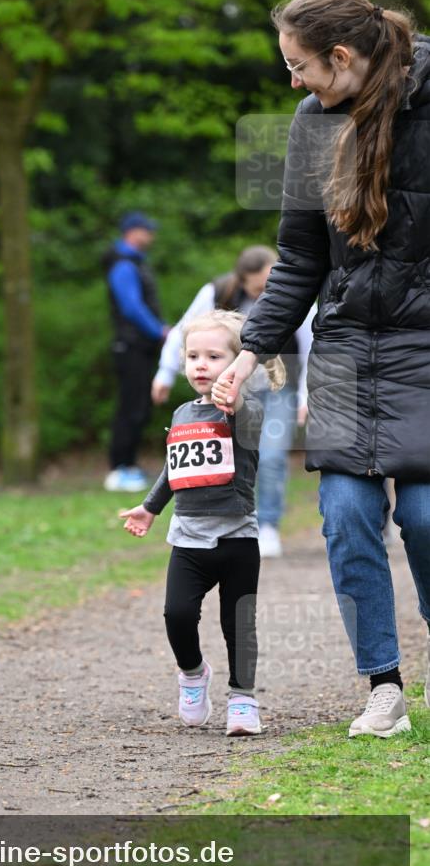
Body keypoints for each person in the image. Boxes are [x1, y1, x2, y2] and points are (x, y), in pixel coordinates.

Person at [212, 0, 430, 736]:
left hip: (424, 348)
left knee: (426, 518)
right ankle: (383, 686)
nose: (293, 82)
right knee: (344, 514)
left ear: (341, 56)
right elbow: (301, 257)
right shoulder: (313, 123)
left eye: (298, 66)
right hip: (344, 348)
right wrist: (249, 352)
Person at [120, 311, 285, 735]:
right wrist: (149, 508)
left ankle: (243, 699)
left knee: (238, 624)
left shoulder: (246, 411)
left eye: (214, 357)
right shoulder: (181, 414)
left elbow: (243, 415)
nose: (201, 365)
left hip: (237, 538)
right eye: (193, 356)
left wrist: (234, 395)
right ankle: (193, 674)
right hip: (189, 540)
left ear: (238, 362)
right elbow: (174, 469)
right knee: (177, 614)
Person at [152, 245, 315, 558]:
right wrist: (165, 373)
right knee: (227, 458)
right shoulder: (216, 292)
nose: (265, 293)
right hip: (226, 388)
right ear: (241, 281)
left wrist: (306, 396)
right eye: (257, 288)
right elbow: (183, 332)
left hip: (277, 386)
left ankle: (268, 525)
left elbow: (311, 345)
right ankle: (221, 524)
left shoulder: (295, 291)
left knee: (271, 456)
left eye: (269, 284)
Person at [103, 211, 169, 493]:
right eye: (147, 230)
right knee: (130, 407)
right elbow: (131, 307)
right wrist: (159, 331)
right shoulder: (123, 264)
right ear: (132, 232)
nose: (151, 236)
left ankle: (129, 465)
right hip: (130, 345)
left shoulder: (135, 262)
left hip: (140, 346)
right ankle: (119, 468)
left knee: (139, 406)